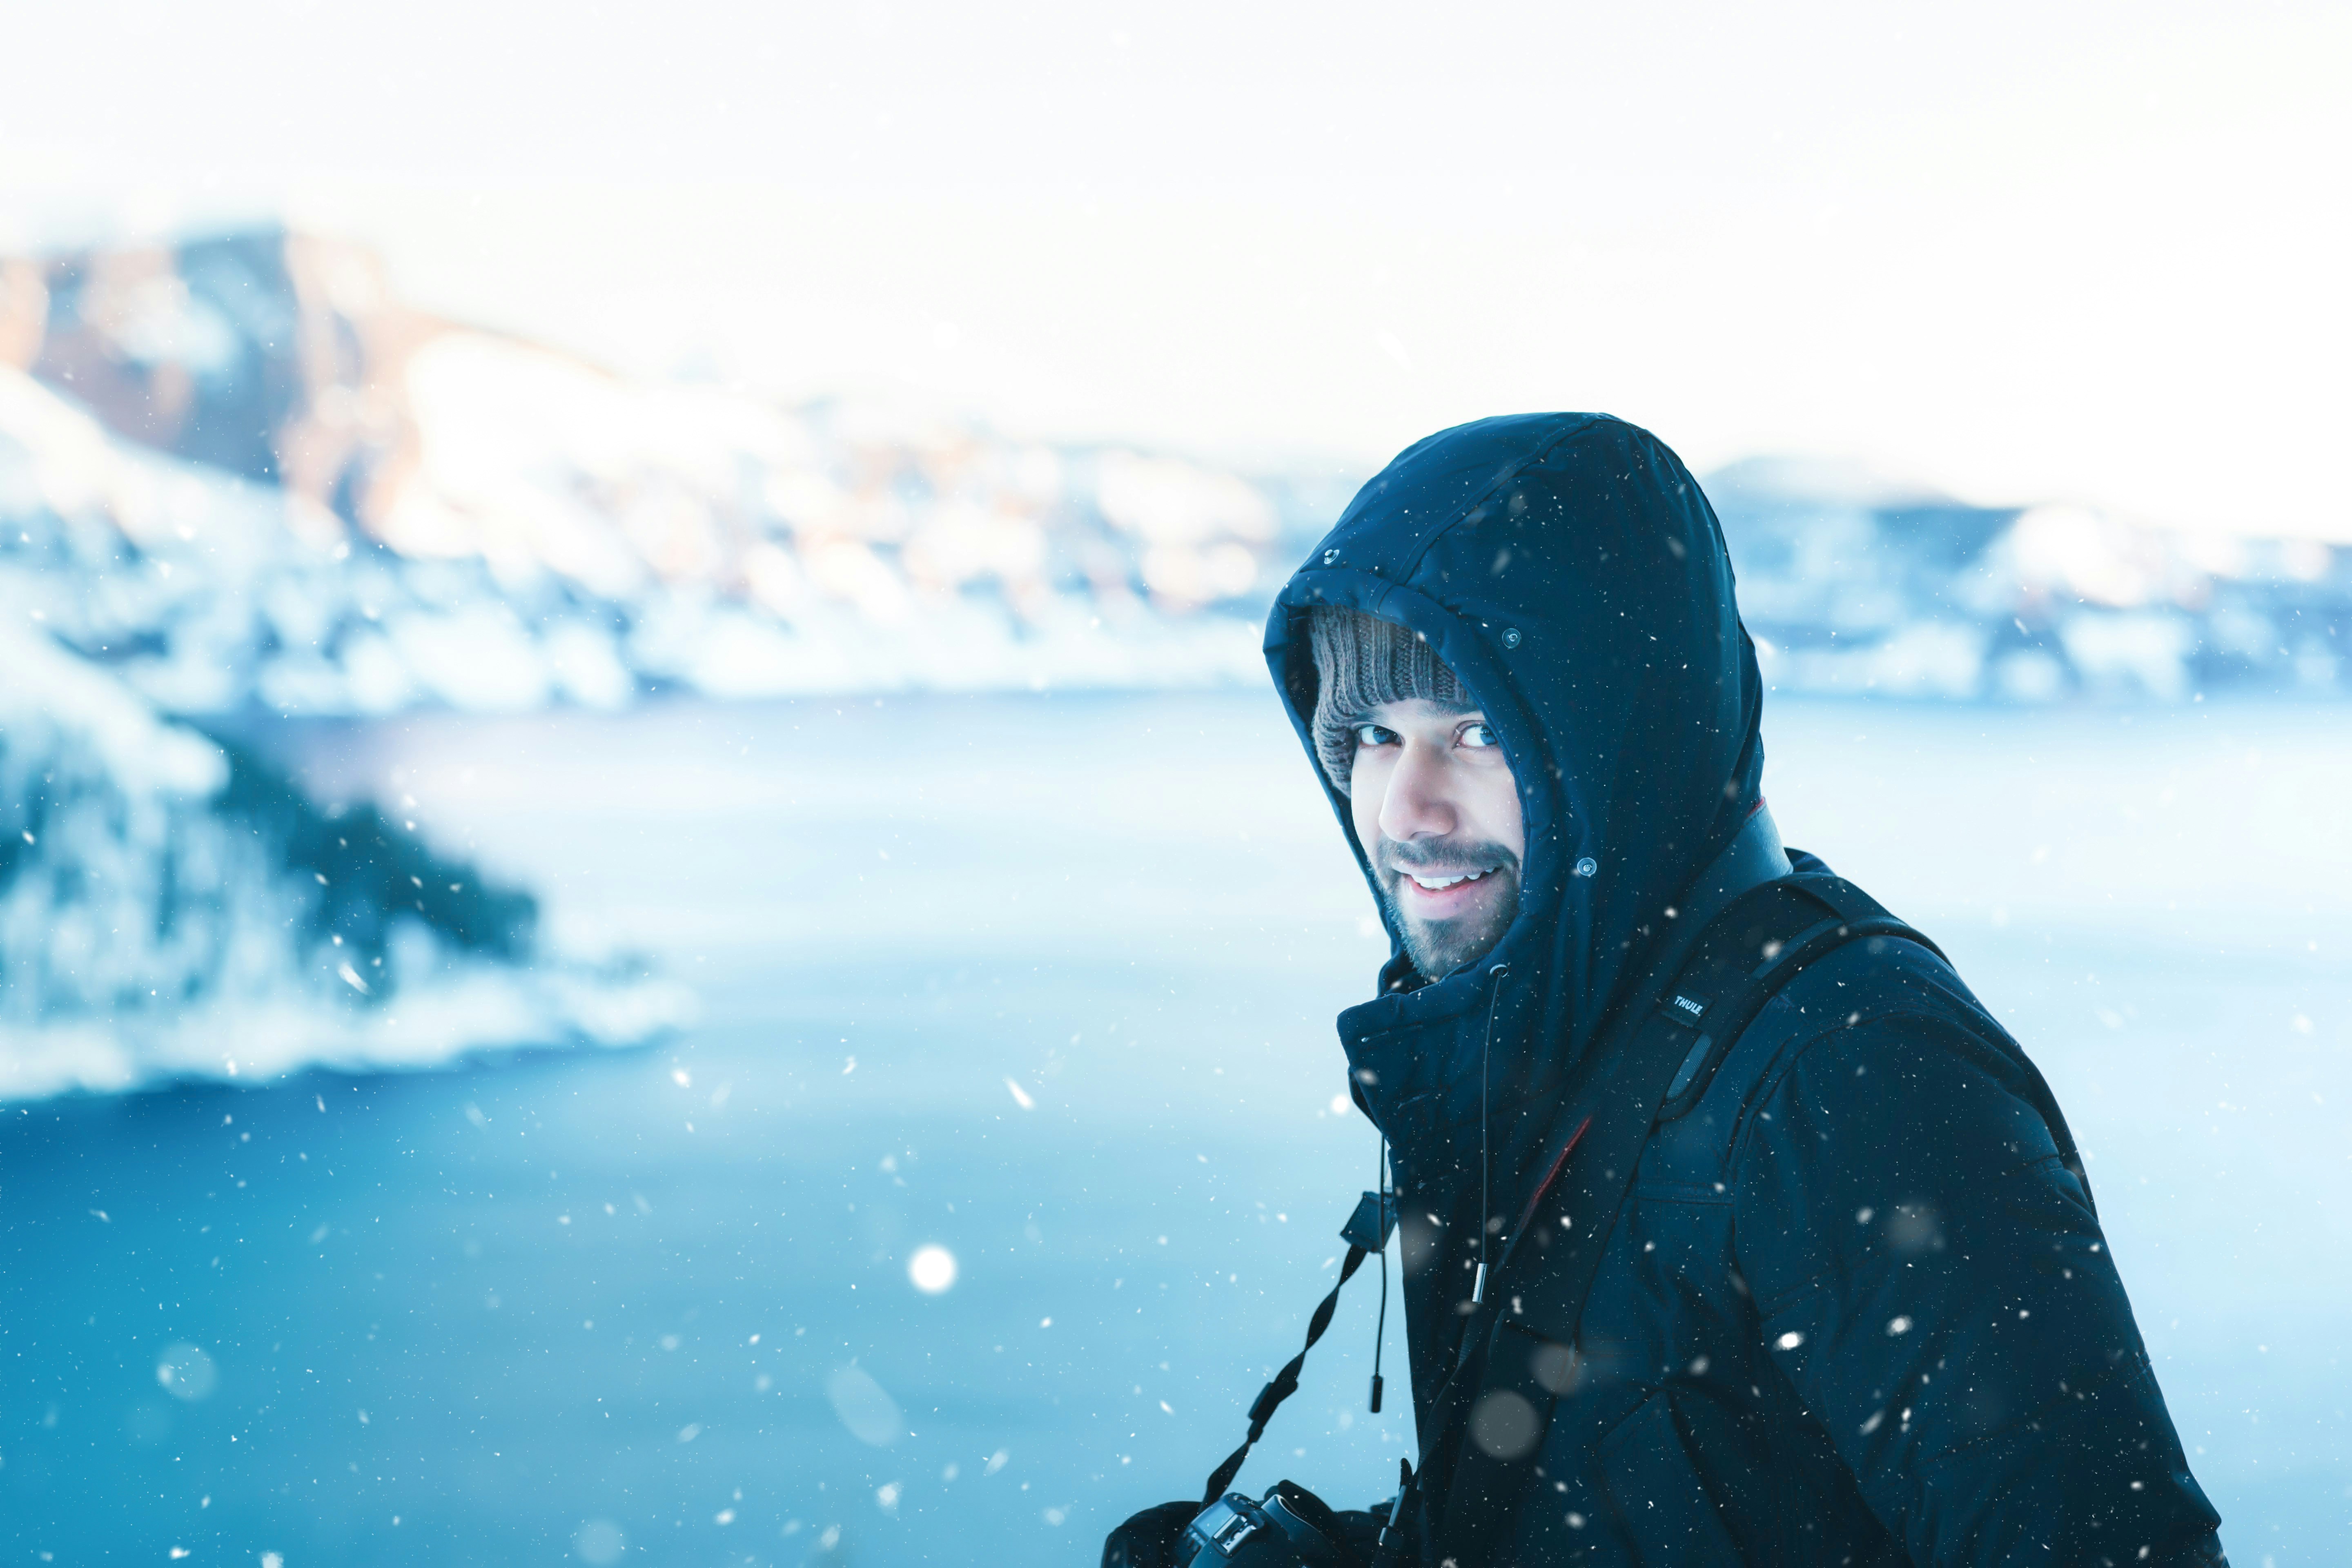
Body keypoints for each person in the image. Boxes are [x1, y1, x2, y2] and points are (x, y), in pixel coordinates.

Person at [1105, 414, 2227, 1567]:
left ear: (1620, 748)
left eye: (1480, 733)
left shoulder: (1851, 1073)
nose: (1408, 809)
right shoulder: (1565, 1027)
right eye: (1377, 736)